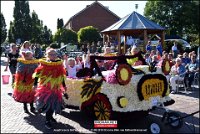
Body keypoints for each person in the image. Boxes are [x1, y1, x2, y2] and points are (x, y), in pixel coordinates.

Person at [32, 48, 67, 129]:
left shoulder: (59, 63)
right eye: (51, 54)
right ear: (47, 55)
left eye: (55, 54)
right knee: (49, 104)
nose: (53, 56)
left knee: (54, 104)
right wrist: (35, 84)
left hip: (56, 88)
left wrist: (64, 86)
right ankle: (47, 121)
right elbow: (37, 74)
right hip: (46, 88)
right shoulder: (44, 63)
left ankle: (50, 117)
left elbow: (61, 76)